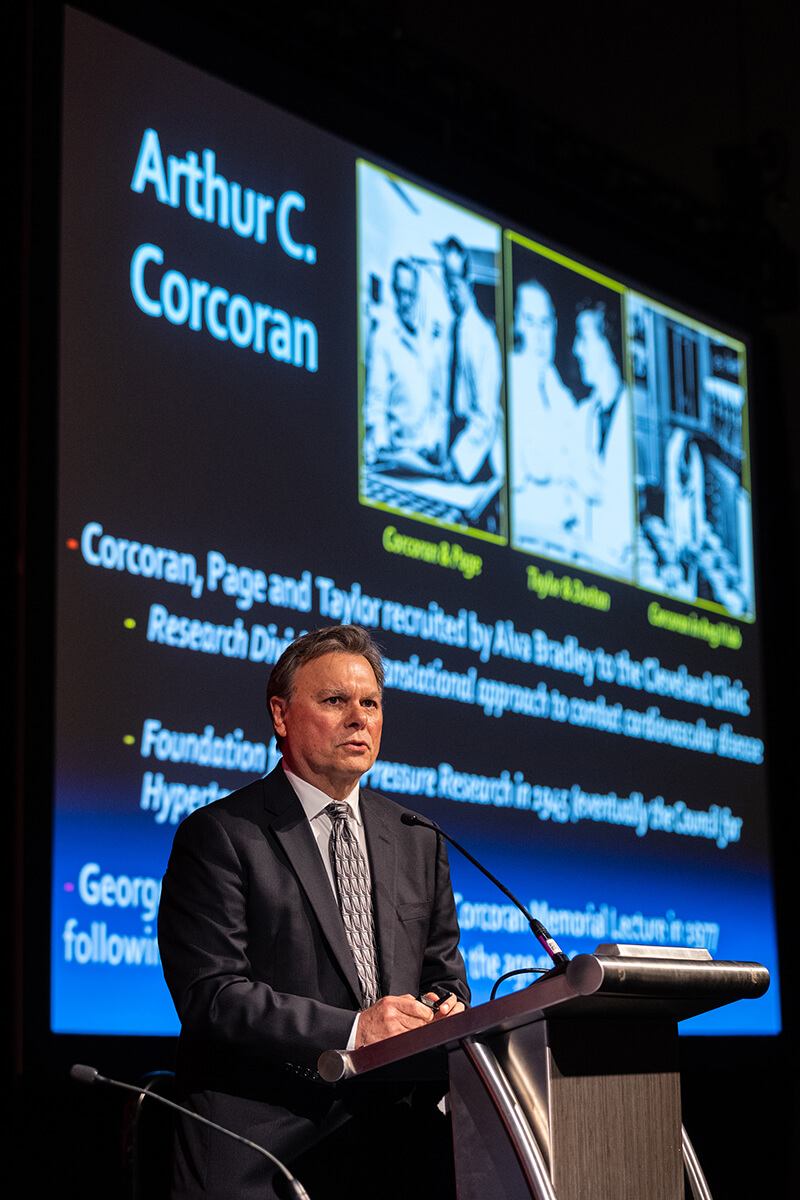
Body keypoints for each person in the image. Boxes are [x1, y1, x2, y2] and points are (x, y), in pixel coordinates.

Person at [158, 624, 469, 1200]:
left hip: (395, 1144)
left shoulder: (417, 838)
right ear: (281, 715)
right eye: (335, 701)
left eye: (371, 703)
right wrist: (354, 1029)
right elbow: (212, 994)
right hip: (266, 1147)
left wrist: (443, 1007)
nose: (359, 718)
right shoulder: (221, 834)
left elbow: (442, 972)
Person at [509, 281, 582, 548]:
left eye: (545, 323)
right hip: (528, 541)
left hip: (566, 537)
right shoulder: (507, 380)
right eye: (530, 322)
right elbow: (534, 469)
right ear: (516, 323)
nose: (539, 336)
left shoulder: (558, 390)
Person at [363, 259, 448, 469]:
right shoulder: (383, 338)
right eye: (401, 293)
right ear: (394, 291)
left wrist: (435, 441)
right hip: (394, 456)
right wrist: (382, 444)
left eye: (410, 293)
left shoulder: (428, 343)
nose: (406, 301)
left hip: (424, 456)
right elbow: (376, 401)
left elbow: (437, 401)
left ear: (417, 294)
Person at [572, 302, 634, 573]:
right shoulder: (583, 414)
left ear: (608, 344)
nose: (577, 349)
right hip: (587, 570)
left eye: (584, 338)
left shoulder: (635, 416)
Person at [438, 237, 503, 484]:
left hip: (477, 459)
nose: (449, 293)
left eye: (454, 283)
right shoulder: (451, 330)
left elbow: (485, 416)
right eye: (446, 283)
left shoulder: (483, 338)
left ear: (469, 281)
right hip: (453, 442)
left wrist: (457, 461)